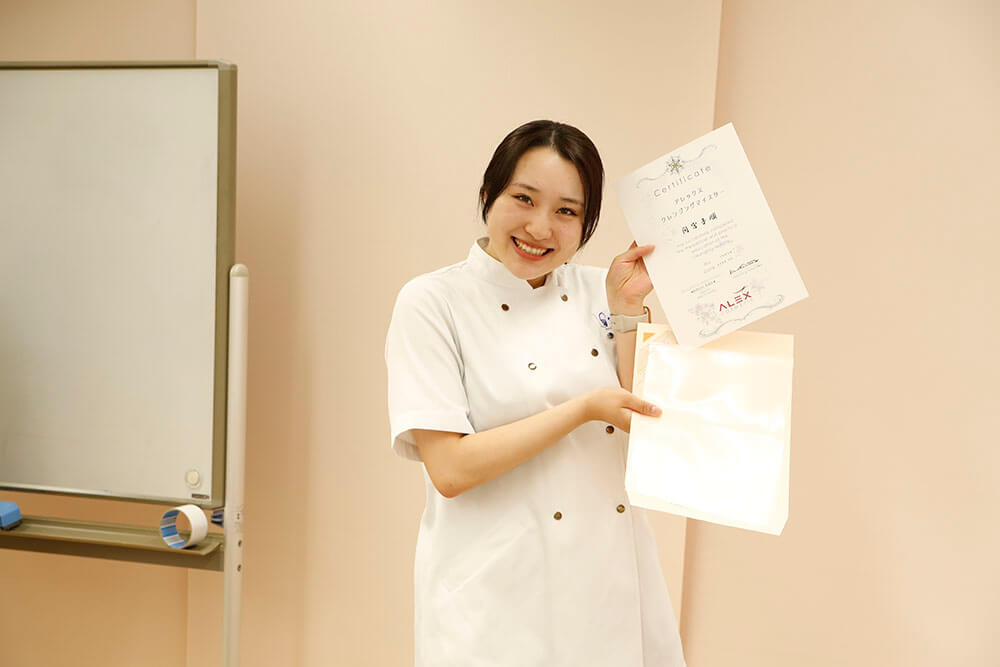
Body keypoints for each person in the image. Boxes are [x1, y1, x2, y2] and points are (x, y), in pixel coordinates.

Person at [385, 120, 686, 666]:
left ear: (586, 224)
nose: (540, 227)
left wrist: (627, 312)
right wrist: (582, 409)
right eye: (523, 198)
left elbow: (648, 421)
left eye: (567, 211)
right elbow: (450, 469)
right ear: (488, 194)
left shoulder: (604, 288)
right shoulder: (433, 302)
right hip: (497, 594)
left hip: (609, 582)